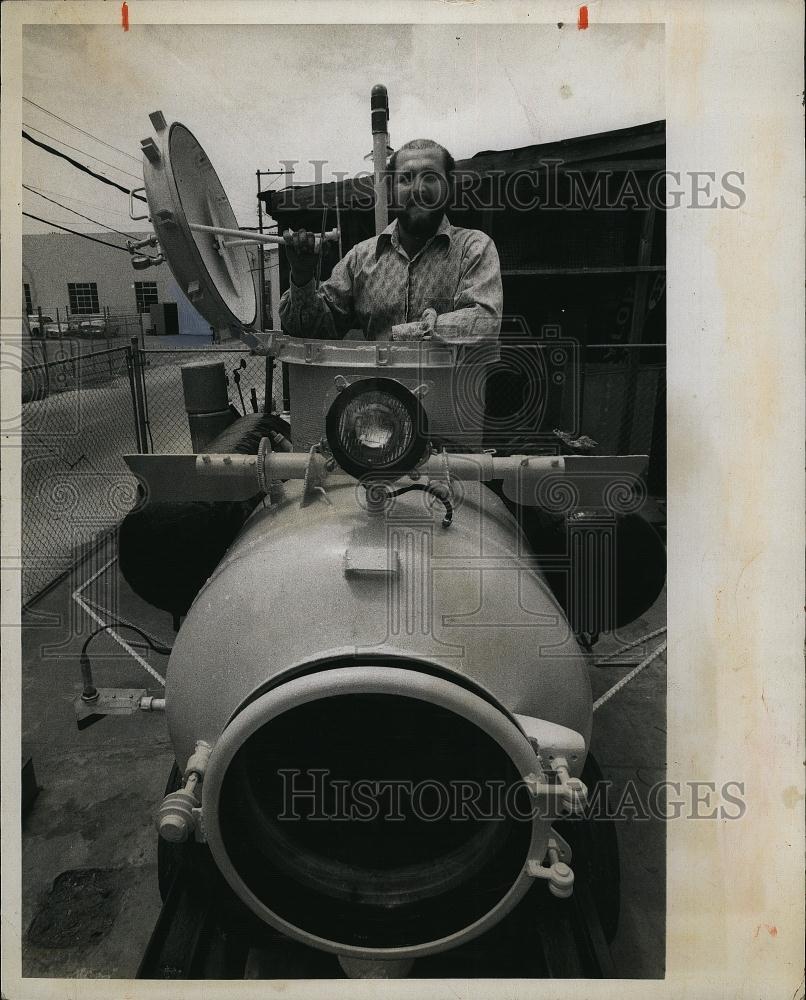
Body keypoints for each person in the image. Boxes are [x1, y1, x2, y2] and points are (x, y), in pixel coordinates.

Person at [278, 139, 502, 361]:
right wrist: (301, 277)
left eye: (431, 177)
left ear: (449, 186)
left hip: (448, 395)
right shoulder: (360, 259)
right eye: (405, 178)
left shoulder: (473, 248)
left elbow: (484, 322)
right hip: (376, 397)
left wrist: (407, 333)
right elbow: (310, 331)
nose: (418, 189)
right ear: (391, 189)